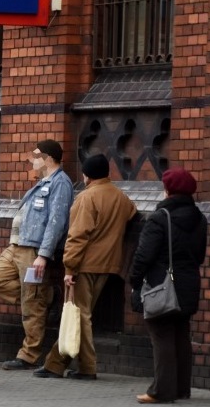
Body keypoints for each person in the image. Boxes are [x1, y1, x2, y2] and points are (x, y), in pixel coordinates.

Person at [34, 154, 137, 380]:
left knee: (79, 314)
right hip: (109, 264)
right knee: (79, 313)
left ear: (87, 175)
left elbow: (77, 236)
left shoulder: (86, 198)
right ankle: (55, 363)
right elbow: (131, 214)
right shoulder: (121, 197)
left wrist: (69, 269)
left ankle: (87, 367)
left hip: (85, 264)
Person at [0, 139, 74, 370]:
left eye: (35, 156)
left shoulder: (60, 183)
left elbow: (56, 221)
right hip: (17, 246)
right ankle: (47, 296)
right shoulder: (43, 182)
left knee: (32, 304)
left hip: (33, 249)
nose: (30, 160)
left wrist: (43, 254)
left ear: (48, 158)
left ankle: (28, 355)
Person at [129, 168, 207, 404]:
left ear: (168, 190)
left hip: (161, 284)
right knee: (181, 335)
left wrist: (134, 280)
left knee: (161, 334)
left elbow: (144, 255)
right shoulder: (200, 218)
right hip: (188, 282)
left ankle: (161, 391)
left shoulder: (160, 218)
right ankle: (182, 388)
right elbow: (200, 255)